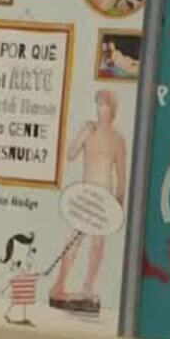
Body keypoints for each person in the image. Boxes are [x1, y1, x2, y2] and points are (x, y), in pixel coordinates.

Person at [50, 90, 127, 313]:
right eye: (98, 105)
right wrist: (83, 134)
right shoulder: (89, 129)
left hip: (105, 199)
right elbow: (71, 154)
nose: (101, 109)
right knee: (74, 240)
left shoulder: (118, 140)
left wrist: (119, 205)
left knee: (98, 244)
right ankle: (59, 284)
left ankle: (87, 287)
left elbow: (122, 176)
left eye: (105, 105)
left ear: (113, 110)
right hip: (84, 195)